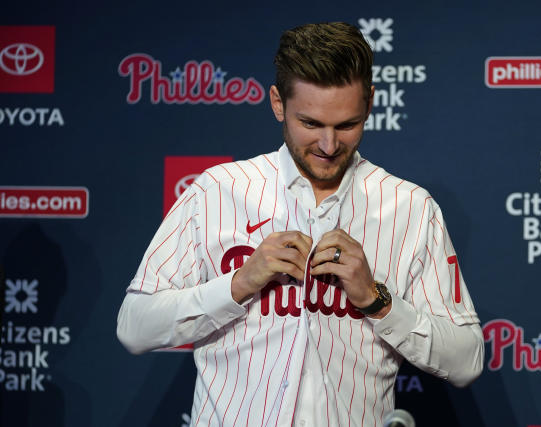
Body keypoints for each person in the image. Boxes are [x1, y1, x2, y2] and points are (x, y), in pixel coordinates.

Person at [117, 21, 483, 427]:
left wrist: (376, 300)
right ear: (278, 103)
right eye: (311, 124)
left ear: (371, 103)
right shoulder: (217, 191)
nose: (329, 145)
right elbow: (135, 326)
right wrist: (238, 283)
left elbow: (467, 359)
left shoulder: (411, 207)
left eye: (347, 125)